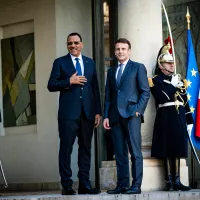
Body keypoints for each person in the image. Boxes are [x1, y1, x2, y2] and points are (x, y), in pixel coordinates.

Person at [47, 32, 102, 195]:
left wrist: (97, 112)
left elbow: (95, 89)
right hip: (68, 114)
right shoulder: (60, 62)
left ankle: (85, 184)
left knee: (85, 149)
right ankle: (67, 185)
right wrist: (68, 82)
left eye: (76, 43)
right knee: (66, 149)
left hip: (87, 113)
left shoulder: (90, 63)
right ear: (67, 45)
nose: (73, 46)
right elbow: (51, 85)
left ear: (81, 44)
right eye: (70, 43)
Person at [103, 38, 150, 194]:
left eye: (123, 49)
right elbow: (108, 96)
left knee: (135, 153)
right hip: (115, 117)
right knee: (120, 153)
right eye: (118, 49)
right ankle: (122, 184)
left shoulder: (137, 67)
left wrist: (138, 110)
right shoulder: (111, 72)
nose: (120, 51)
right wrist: (106, 116)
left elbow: (145, 91)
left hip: (131, 115)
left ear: (129, 51)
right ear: (115, 51)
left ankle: (136, 185)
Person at [149, 43, 193, 191]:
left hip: (179, 117)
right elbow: (162, 97)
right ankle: (169, 182)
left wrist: (189, 120)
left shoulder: (177, 79)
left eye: (172, 63)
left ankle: (177, 180)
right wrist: (172, 86)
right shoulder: (155, 80)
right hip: (166, 117)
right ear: (161, 66)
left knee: (177, 148)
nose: (172, 65)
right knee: (167, 149)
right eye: (169, 63)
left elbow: (185, 101)